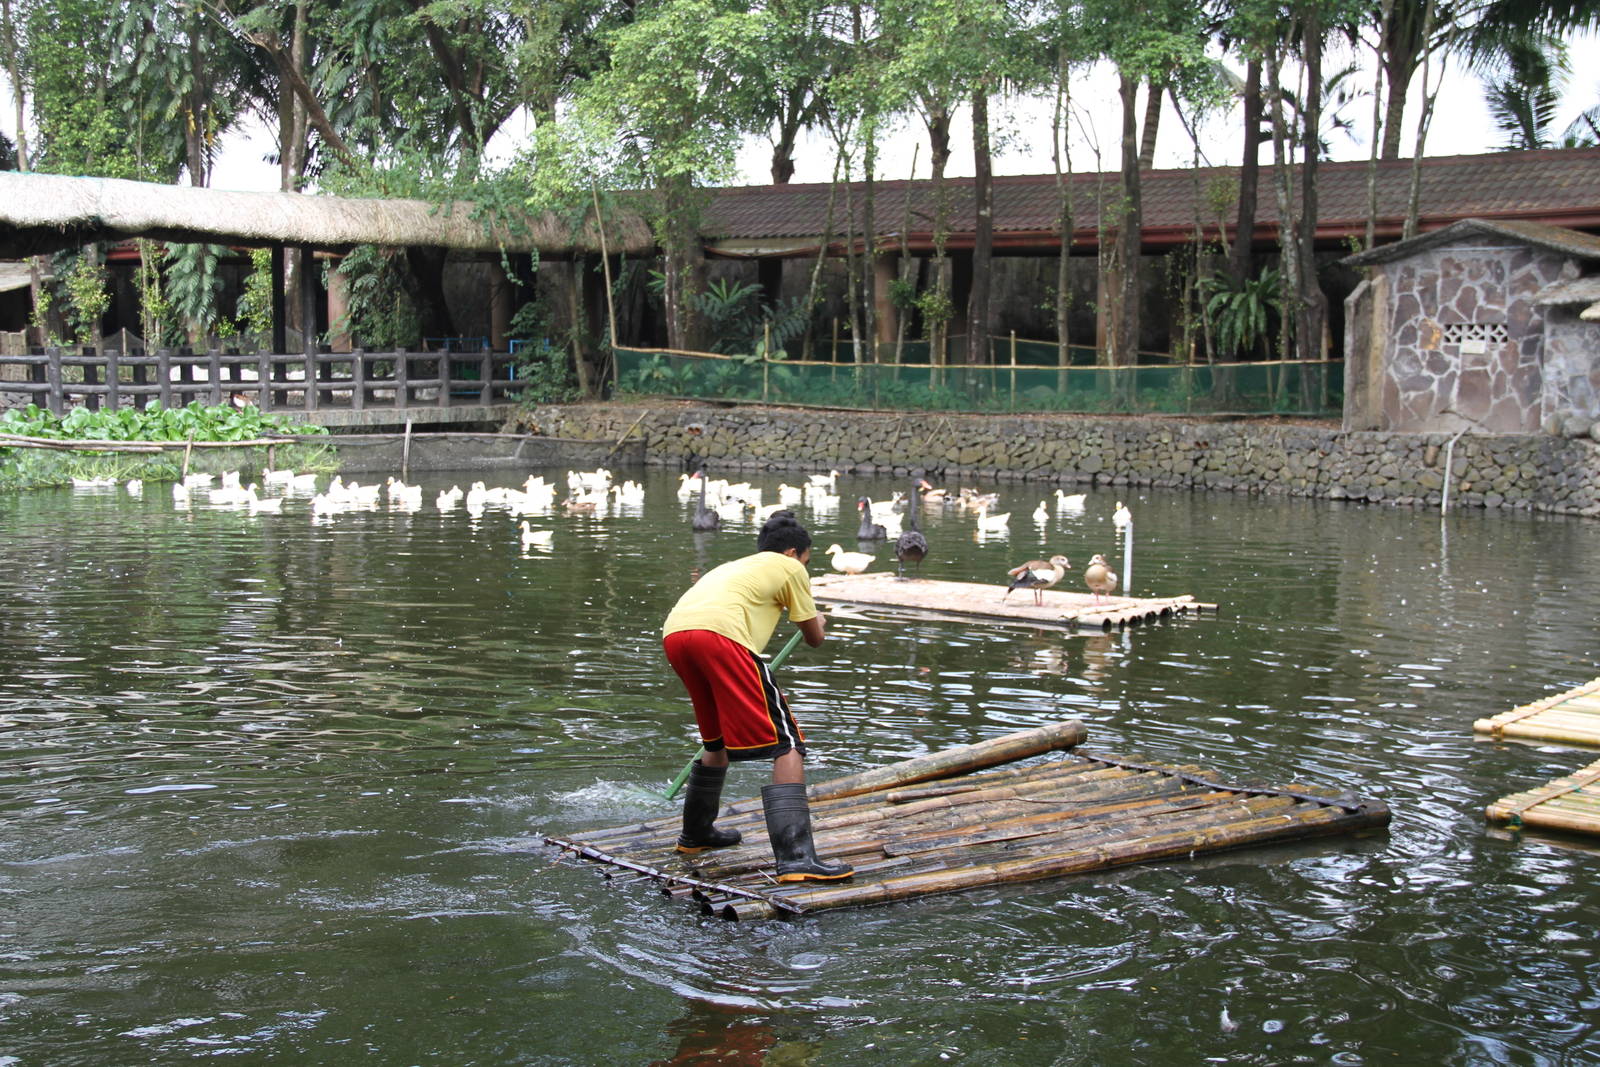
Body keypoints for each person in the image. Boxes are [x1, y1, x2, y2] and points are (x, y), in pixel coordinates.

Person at [661, 509, 853, 883]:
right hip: (720, 636)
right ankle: (797, 859)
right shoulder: (791, 568)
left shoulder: (735, 566)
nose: (806, 569)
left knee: (715, 741)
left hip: (676, 635)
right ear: (794, 553)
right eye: (808, 561)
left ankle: (696, 834)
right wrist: (819, 621)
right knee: (788, 742)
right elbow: (814, 638)